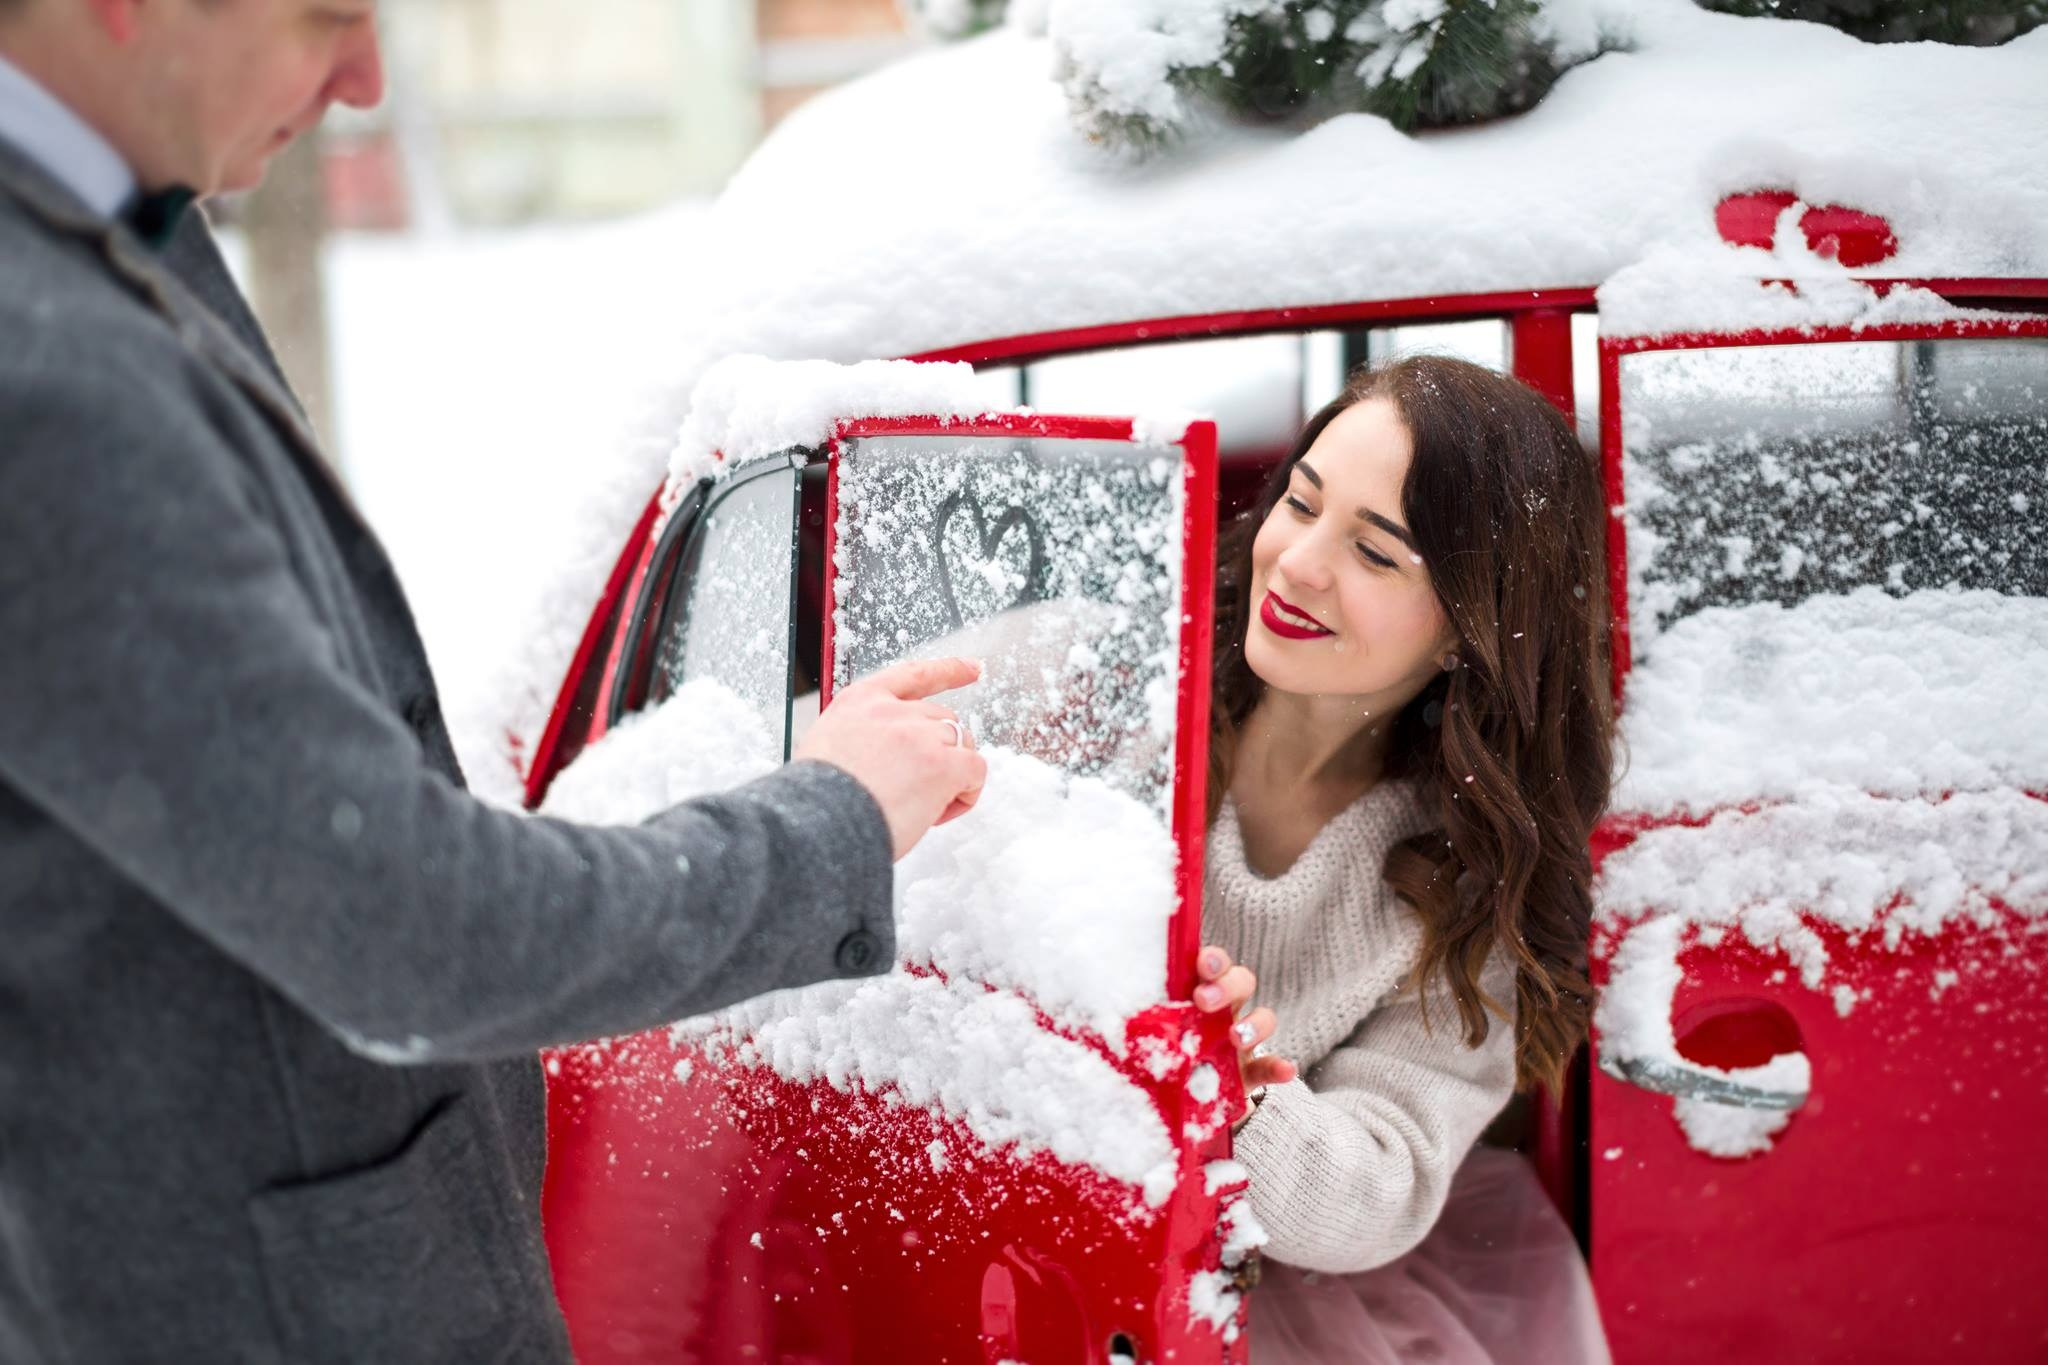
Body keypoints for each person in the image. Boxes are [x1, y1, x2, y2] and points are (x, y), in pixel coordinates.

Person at [0, 2, 985, 1361]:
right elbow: (412, 924)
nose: (360, 81)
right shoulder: (46, 381)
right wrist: (835, 823)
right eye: (326, 19)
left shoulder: (102, 226)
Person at [1191, 356, 1617, 1362]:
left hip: (1269, 1297)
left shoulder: (1459, 877)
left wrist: (1239, 1092)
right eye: (1299, 503)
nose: (1294, 564)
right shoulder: (1109, 681)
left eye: (1375, 555)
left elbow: (1373, 1193)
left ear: (1467, 628)